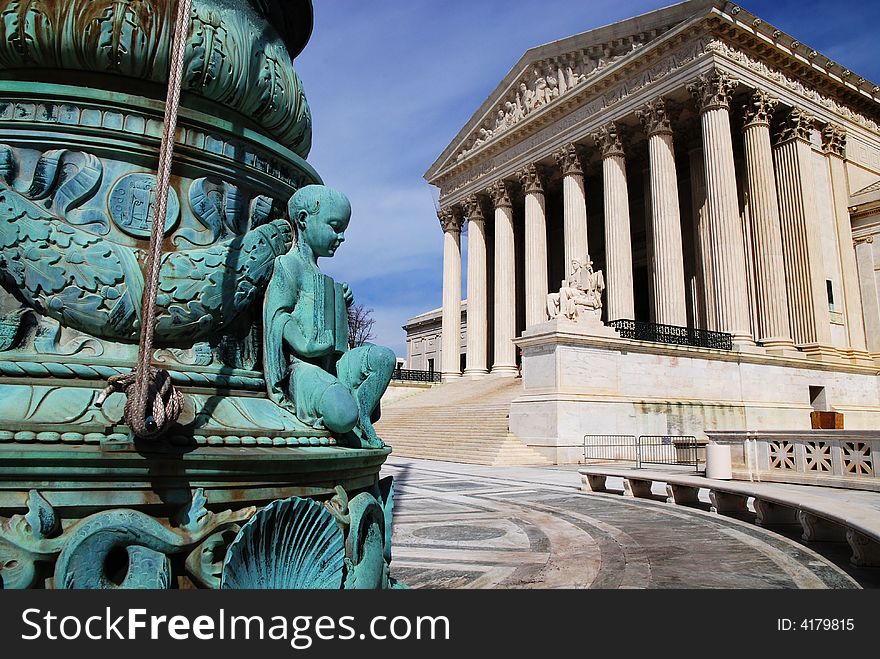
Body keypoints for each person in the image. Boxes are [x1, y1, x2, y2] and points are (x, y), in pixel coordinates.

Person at [263, 185, 395, 449]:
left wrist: (339, 303)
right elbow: (278, 316)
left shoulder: (325, 278)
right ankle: (350, 416)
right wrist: (304, 345)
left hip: (334, 363)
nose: (342, 237)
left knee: (383, 358)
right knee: (342, 413)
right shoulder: (288, 265)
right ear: (303, 220)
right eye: (335, 227)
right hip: (302, 367)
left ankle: (363, 419)